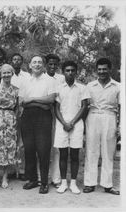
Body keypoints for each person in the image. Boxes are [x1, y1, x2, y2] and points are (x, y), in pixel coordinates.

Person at [19, 55, 56, 194]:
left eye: (40, 62)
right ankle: (33, 179)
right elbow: (22, 101)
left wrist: (32, 99)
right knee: (29, 149)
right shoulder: (25, 81)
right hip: (27, 116)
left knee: (43, 150)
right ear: (30, 65)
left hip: (43, 117)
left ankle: (44, 182)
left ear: (43, 65)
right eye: (34, 62)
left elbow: (50, 100)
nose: (37, 64)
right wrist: (38, 102)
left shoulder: (50, 80)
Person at [83, 58, 120, 195]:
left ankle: (107, 185)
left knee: (108, 152)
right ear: (96, 70)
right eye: (99, 69)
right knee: (91, 151)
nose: (102, 72)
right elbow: (85, 106)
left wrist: (120, 126)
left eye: (104, 69)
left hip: (109, 117)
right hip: (92, 117)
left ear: (110, 69)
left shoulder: (118, 86)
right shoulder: (90, 85)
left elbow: (122, 107)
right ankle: (89, 183)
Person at [54, 61, 89, 194]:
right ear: (63, 72)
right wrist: (64, 123)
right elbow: (56, 108)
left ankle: (73, 183)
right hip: (61, 124)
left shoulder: (82, 88)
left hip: (77, 124)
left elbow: (84, 106)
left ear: (76, 72)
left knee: (75, 155)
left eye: (72, 70)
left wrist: (72, 122)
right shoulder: (59, 88)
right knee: (62, 154)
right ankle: (63, 183)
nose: (70, 72)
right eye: (67, 70)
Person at [45, 53, 65, 188]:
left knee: (57, 147)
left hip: (58, 114)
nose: (52, 66)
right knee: (43, 146)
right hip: (43, 114)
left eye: (55, 64)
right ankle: (42, 177)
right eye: (50, 64)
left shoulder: (62, 78)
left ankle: (56, 179)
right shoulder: (40, 77)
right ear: (46, 64)